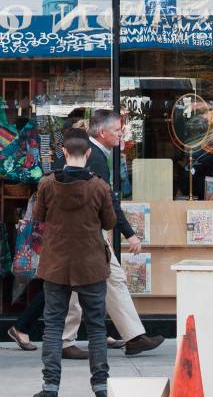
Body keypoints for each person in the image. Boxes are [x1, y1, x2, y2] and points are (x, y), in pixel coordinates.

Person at [62, 110, 162, 359]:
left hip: (88, 234)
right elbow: (108, 202)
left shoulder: (94, 153)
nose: (121, 134)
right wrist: (129, 233)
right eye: (117, 130)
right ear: (101, 132)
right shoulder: (94, 157)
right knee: (79, 286)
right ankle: (66, 341)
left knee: (111, 280)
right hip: (87, 235)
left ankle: (133, 337)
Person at [33, 128, 118, 397]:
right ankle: (100, 386)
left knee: (53, 326)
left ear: (64, 152)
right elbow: (109, 222)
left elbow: (38, 216)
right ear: (89, 153)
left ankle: (50, 386)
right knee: (96, 327)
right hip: (91, 263)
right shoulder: (99, 186)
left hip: (56, 263)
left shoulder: (47, 184)